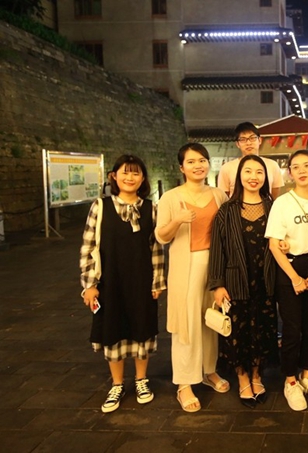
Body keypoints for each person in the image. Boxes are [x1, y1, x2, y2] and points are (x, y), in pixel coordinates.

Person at [80, 154, 165, 413]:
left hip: (141, 281)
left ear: (143, 178)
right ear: (114, 176)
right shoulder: (100, 206)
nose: (130, 177)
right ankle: (117, 384)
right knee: (112, 329)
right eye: (125, 172)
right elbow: (88, 246)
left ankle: (141, 379)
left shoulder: (151, 208)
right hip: (110, 281)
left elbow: (156, 248)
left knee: (142, 328)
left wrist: (157, 281)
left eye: (135, 173)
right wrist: (89, 284)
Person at [155, 143, 230, 413]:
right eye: (191, 161)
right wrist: (178, 220)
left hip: (215, 265)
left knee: (212, 319)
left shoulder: (219, 195)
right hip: (186, 267)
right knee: (186, 324)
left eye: (202, 160)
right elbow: (161, 236)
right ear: (181, 167)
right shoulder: (171, 198)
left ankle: (209, 371)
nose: (198, 165)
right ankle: (184, 383)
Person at [208, 155, 277, 409]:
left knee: (262, 328)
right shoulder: (227, 210)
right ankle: (242, 377)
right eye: (248, 171)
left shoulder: (273, 207)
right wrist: (217, 284)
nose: (253, 177)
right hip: (235, 280)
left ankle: (257, 375)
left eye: (259, 172)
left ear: (265, 177)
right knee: (237, 331)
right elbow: (217, 249)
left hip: (266, 279)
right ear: (239, 176)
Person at [265, 150, 308, 411]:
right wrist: (294, 278)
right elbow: (274, 244)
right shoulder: (282, 202)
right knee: (292, 329)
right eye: (296, 166)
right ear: (289, 172)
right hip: (290, 266)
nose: (302, 170)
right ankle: (290, 380)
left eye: (307, 165)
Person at [217, 122, 284, 199]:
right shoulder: (227, 168)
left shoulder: (272, 165)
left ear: (260, 140)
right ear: (237, 144)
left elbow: (274, 192)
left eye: (252, 138)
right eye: (243, 139)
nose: (248, 143)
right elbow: (224, 196)